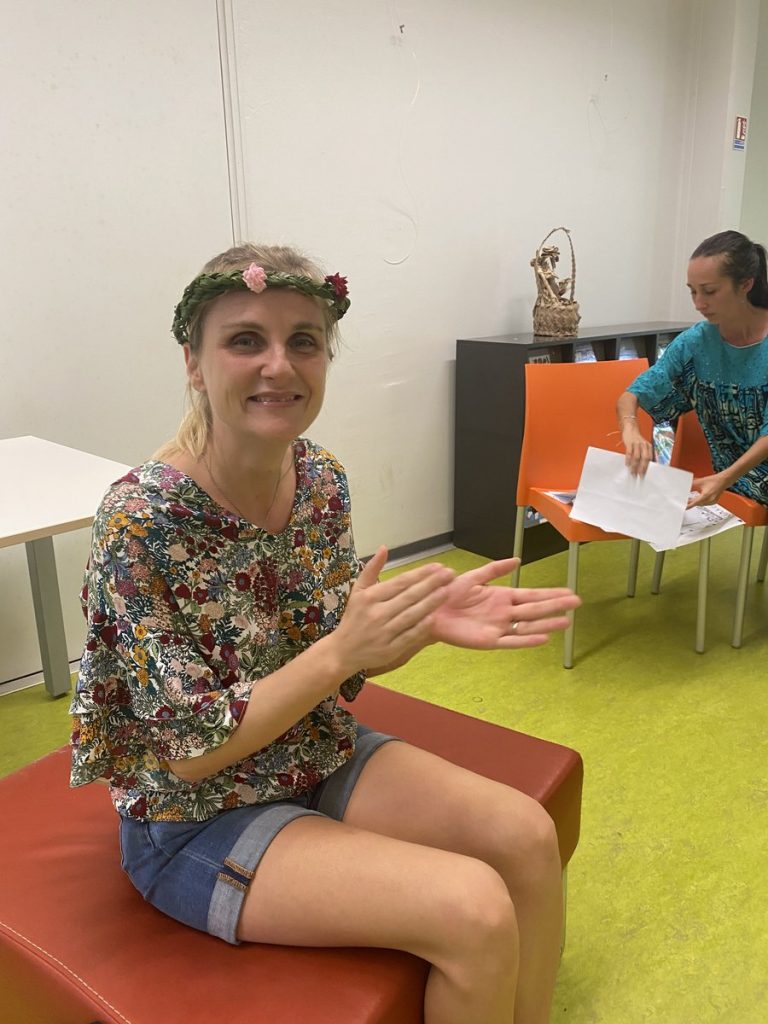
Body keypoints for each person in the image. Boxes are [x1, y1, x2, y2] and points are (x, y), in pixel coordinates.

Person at [70, 242, 581, 1024]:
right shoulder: (141, 520)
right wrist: (344, 648)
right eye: (246, 340)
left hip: (311, 749)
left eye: (303, 340)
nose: (279, 365)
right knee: (473, 909)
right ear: (194, 362)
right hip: (194, 814)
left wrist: (411, 627)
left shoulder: (319, 479)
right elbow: (189, 751)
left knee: (526, 837)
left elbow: (329, 656)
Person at [618, 229, 768, 507]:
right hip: (731, 478)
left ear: (746, 284)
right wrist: (631, 429)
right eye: (692, 291)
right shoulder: (696, 343)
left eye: (710, 291)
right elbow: (633, 394)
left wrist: (724, 478)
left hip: (737, 478)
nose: (699, 303)